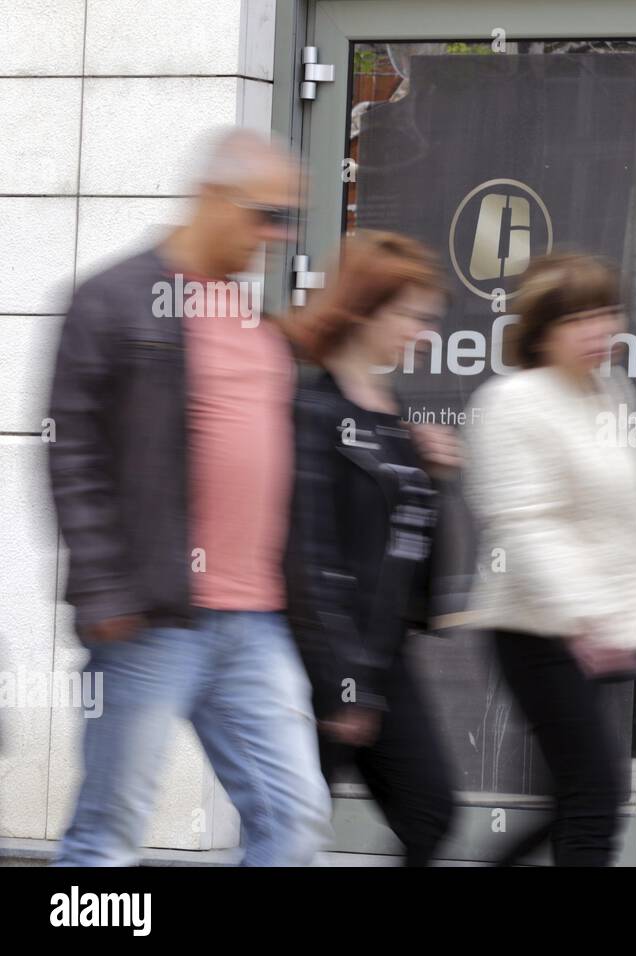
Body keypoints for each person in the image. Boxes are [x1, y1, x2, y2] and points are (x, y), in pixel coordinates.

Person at [48, 128, 333, 866]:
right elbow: (71, 454)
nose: (276, 235)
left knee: (293, 819)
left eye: (288, 221)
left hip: (256, 622)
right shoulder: (115, 300)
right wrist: (104, 590)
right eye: (266, 214)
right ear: (212, 196)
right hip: (154, 615)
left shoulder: (253, 322)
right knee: (107, 836)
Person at [465, 253, 636, 866]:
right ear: (542, 330)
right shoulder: (513, 402)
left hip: (609, 630)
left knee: (575, 795)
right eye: (578, 318)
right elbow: (524, 525)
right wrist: (582, 617)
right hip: (539, 628)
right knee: (595, 794)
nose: (599, 329)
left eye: (606, 312)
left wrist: (635, 615)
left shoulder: (610, 393)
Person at [282, 231, 460, 867]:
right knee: (293, 832)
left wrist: (427, 476)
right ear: (363, 309)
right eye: (411, 315)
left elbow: (407, 559)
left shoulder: (393, 412)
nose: (424, 332)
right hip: (325, 661)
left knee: (430, 810)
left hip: (386, 655)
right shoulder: (313, 409)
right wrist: (343, 685)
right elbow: (309, 559)